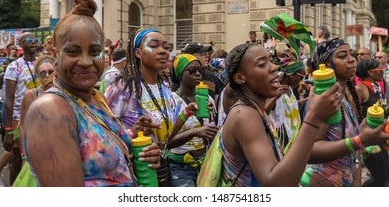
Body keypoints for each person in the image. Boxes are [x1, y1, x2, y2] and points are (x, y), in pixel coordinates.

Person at [23, 0, 160, 186]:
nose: (86, 62)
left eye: (95, 51)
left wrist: (138, 154)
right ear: (55, 53)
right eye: (73, 51)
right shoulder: (49, 110)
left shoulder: (97, 98)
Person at [220, 42, 342, 186]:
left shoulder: (254, 111)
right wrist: (313, 119)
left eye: (271, 61)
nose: (274, 67)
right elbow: (277, 184)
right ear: (240, 77)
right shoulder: (245, 115)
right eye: (261, 64)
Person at [105, 27, 198, 186]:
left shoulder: (165, 88)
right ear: (138, 53)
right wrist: (132, 132)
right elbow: (103, 134)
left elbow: (166, 136)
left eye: (166, 47)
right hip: (134, 173)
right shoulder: (123, 87)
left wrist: (185, 114)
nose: (163, 51)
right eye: (154, 46)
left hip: (162, 170)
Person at [301, 38, 389, 187]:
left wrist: (356, 180)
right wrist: (360, 140)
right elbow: (309, 152)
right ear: (327, 65)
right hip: (321, 183)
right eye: (342, 56)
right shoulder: (324, 100)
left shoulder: (345, 97)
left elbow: (351, 149)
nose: (351, 60)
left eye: (351, 54)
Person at [167, 54, 218, 187]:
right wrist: (194, 132)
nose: (197, 74)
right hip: (179, 168)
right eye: (192, 70)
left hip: (205, 164)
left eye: (200, 70)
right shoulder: (171, 101)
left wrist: (211, 118)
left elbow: (211, 132)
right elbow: (166, 142)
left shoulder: (208, 99)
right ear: (179, 74)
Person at [3, 32, 39, 185]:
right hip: (19, 118)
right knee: (17, 159)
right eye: (30, 40)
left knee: (37, 156)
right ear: (21, 44)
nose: (34, 42)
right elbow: (9, 101)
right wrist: (8, 129)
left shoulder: (42, 64)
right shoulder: (14, 67)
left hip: (40, 116)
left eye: (35, 40)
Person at [355, 58, 389, 186]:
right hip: (367, 140)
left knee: (386, 176)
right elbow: (353, 115)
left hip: (379, 137)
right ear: (371, 72)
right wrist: (360, 144)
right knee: (379, 177)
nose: (383, 71)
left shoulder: (377, 87)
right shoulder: (360, 89)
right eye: (380, 69)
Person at [19, 55, 56, 163]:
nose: (47, 76)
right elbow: (23, 127)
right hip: (35, 150)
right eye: (43, 73)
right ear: (38, 77)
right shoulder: (31, 95)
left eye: (51, 72)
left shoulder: (65, 94)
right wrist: (24, 156)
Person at [265, 58, 305, 152]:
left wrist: (307, 100)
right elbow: (263, 113)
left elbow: (291, 107)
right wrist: (276, 96)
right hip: (282, 143)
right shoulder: (274, 90)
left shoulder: (289, 89)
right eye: (301, 77)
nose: (301, 80)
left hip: (294, 141)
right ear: (291, 75)